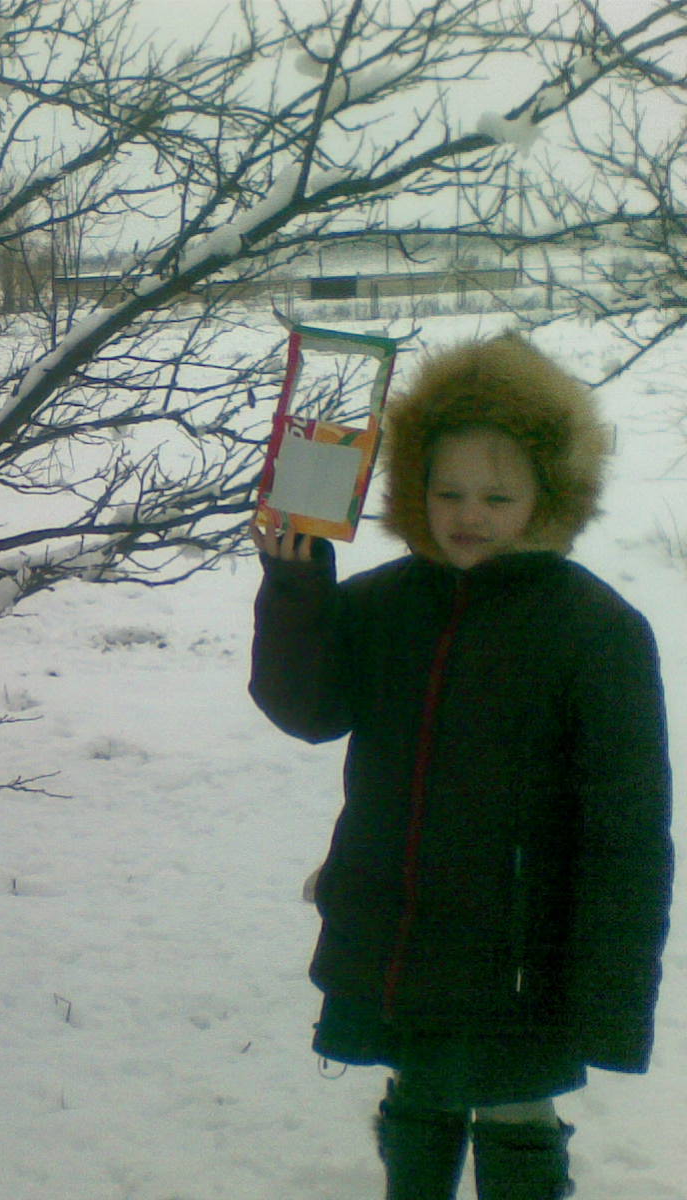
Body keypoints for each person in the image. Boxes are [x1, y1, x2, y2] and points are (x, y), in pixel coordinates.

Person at [247, 333, 672, 1200]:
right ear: (414, 490)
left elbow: (628, 831)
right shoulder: (385, 603)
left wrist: (611, 990)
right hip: (403, 925)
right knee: (418, 1095)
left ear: (549, 495)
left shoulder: (597, 631)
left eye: (496, 494)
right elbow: (309, 711)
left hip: (522, 949)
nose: (468, 514)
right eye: (448, 492)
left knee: (515, 1108)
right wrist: (297, 593)